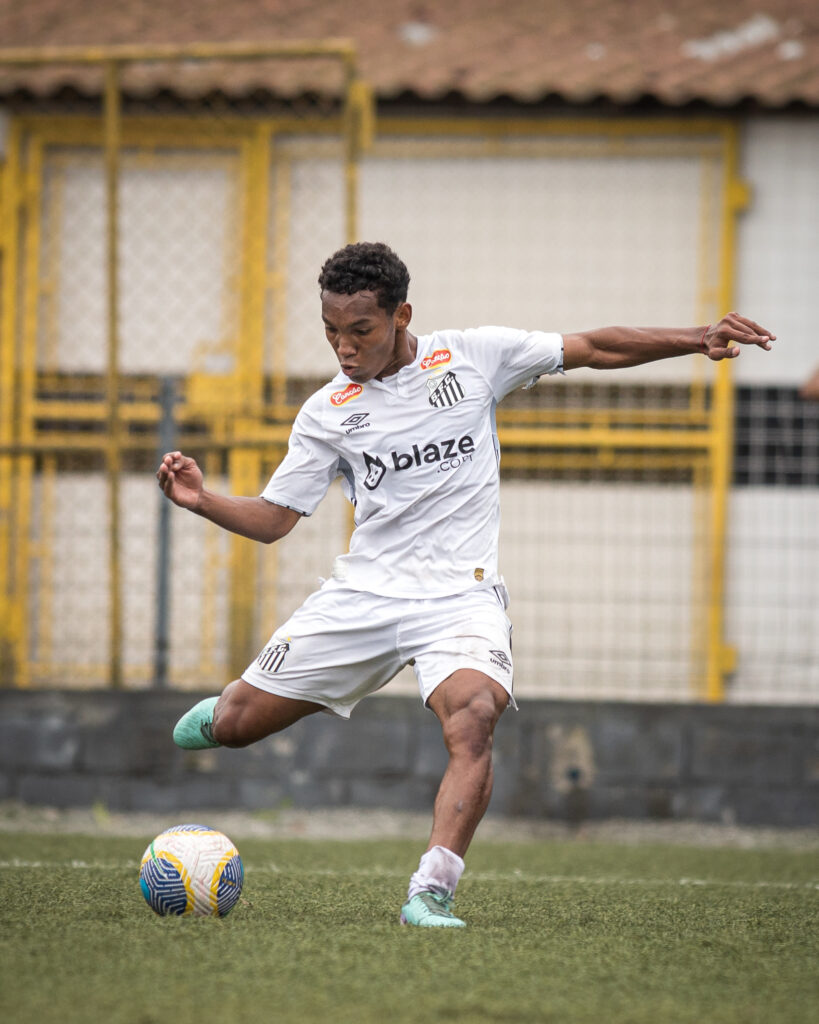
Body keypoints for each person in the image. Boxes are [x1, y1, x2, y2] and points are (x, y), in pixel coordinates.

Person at [158, 241, 775, 928]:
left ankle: (432, 889)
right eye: (330, 331)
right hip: (362, 595)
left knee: (473, 717)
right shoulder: (327, 411)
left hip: (459, 596)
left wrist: (697, 337)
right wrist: (202, 499)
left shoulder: (474, 357)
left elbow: (593, 346)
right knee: (239, 726)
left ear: (401, 315)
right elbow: (275, 521)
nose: (343, 347)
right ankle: (225, 713)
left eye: (359, 330)